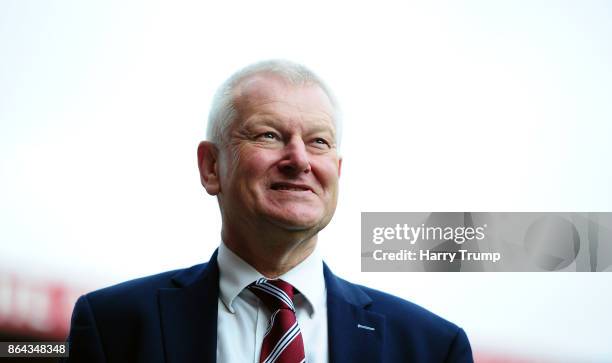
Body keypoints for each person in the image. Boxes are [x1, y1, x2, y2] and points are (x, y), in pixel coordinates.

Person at [63, 60, 474, 363]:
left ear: (338, 172)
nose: (300, 159)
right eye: (270, 135)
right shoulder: (112, 327)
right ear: (211, 167)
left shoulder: (433, 348)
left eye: (318, 142)